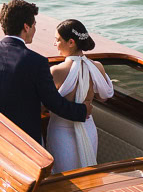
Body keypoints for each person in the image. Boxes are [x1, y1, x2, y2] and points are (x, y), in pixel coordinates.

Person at [0, 0, 88, 151]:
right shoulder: (37, 62)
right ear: (26, 27)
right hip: (25, 142)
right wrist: (83, 110)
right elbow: (53, 103)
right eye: (34, 25)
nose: (35, 29)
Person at [46, 19, 114, 174]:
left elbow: (45, 104)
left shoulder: (56, 71)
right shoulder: (97, 67)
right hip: (88, 128)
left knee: (63, 178)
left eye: (57, 40)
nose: (55, 44)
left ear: (71, 42)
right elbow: (104, 96)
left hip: (61, 133)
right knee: (86, 175)